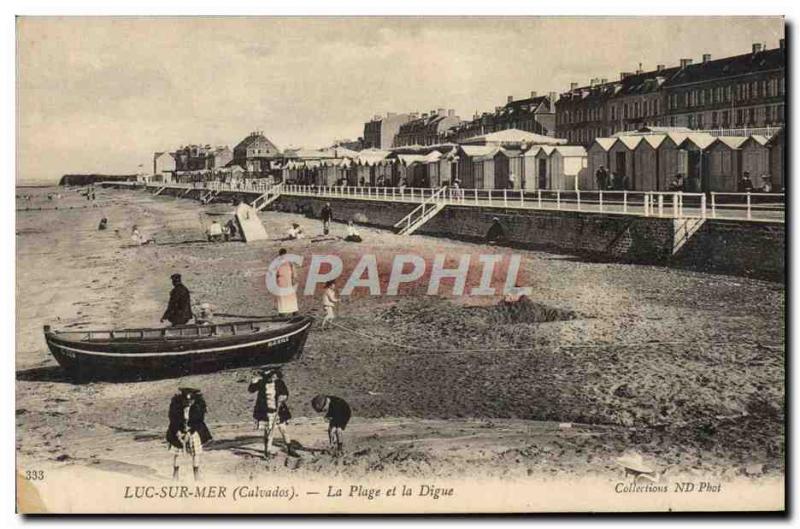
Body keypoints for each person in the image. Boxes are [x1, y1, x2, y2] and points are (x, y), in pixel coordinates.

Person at [248, 368, 297, 458]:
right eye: (270, 376)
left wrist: (283, 397)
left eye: (274, 375)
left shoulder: (279, 383)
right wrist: (253, 382)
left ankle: (290, 449)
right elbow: (251, 390)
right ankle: (268, 452)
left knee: (284, 430)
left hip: (279, 412)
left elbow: (285, 393)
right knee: (269, 433)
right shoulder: (262, 383)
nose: (273, 377)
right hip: (267, 413)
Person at [166, 387, 212, 482]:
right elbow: (173, 420)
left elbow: (198, 422)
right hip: (178, 430)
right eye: (186, 401)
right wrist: (178, 432)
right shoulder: (176, 408)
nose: (188, 403)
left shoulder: (198, 408)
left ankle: (196, 474)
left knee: (196, 453)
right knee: (177, 452)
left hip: (193, 431)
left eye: (191, 401)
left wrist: (189, 433)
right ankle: (175, 473)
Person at [274, 248, 299, 317]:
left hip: (287, 282)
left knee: (289, 297)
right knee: (283, 297)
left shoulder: (289, 262)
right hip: (282, 282)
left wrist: (293, 279)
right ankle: (283, 313)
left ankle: (294, 312)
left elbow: (294, 272)